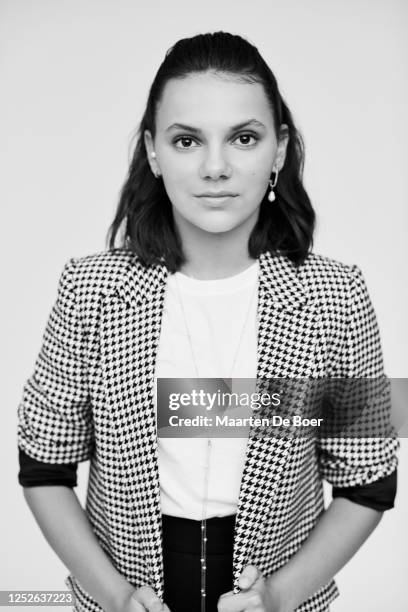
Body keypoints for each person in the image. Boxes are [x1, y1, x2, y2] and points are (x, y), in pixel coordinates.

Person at [17, 31, 398, 612]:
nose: (215, 166)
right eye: (187, 139)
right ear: (152, 151)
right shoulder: (91, 291)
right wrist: (116, 596)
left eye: (243, 138)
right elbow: (43, 468)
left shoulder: (336, 297)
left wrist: (278, 597)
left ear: (278, 150)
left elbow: (368, 482)